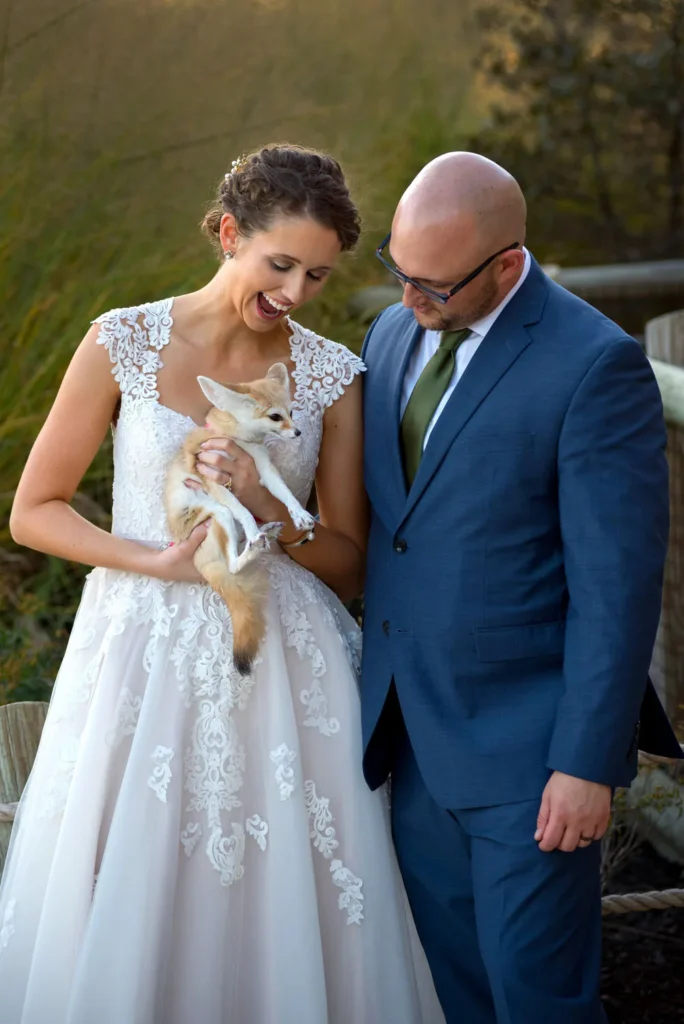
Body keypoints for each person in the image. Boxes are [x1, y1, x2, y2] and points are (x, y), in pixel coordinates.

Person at [0, 145, 443, 1024]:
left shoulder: (329, 376)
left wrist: (264, 513)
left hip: (284, 667)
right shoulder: (120, 340)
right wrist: (153, 561)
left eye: (317, 275)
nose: (296, 293)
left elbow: (350, 557)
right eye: (281, 264)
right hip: (137, 655)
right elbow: (34, 510)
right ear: (229, 233)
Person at [359, 151, 681, 1023]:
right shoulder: (388, 338)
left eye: (433, 286)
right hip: (406, 736)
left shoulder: (595, 367)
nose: (406, 303)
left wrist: (584, 763)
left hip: (528, 757)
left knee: (539, 1002)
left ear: (507, 264)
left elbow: (617, 589)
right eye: (396, 270)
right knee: (454, 992)